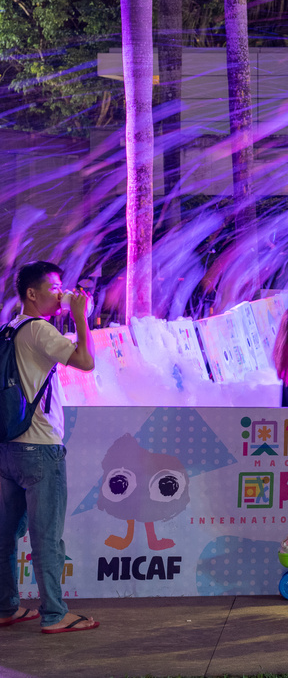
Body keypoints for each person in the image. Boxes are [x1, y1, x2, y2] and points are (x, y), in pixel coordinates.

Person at [0, 261, 98, 633]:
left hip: (8, 447)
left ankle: (6, 607)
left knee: (4, 536)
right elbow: (85, 362)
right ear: (32, 293)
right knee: (46, 538)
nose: (61, 294)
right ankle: (55, 614)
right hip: (40, 447)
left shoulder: (9, 328)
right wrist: (80, 317)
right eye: (54, 287)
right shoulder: (40, 329)